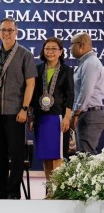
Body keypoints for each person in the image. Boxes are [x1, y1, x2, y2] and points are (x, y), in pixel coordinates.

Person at [0, 17, 37, 200]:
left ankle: (13, 191)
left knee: (16, 155)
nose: (6, 34)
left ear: (16, 32)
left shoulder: (25, 54)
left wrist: (25, 108)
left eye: (10, 30)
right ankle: (1, 190)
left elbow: (31, 84)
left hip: (16, 112)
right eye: (3, 30)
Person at [29, 37, 74, 182]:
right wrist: (31, 116)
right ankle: (49, 191)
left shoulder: (67, 71)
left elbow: (70, 95)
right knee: (46, 156)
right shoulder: (38, 69)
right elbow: (34, 95)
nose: (50, 52)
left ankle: (57, 192)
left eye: (54, 48)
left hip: (58, 118)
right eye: (47, 48)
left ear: (61, 51)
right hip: (41, 118)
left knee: (58, 156)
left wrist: (67, 117)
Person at [70, 32, 104, 154]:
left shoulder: (90, 63)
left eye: (72, 44)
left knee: (86, 155)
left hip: (89, 114)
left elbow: (86, 91)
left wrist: (76, 113)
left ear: (81, 45)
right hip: (88, 113)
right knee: (83, 155)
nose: (70, 48)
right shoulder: (87, 62)